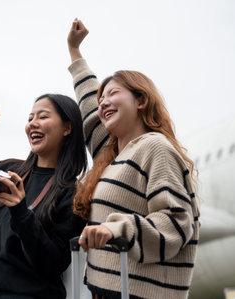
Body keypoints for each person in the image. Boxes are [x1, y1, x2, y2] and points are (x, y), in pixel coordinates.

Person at [67, 19, 200, 299]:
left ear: (141, 101)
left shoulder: (155, 148)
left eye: (113, 93)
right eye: (102, 98)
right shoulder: (113, 155)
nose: (103, 102)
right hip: (105, 292)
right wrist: (74, 51)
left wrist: (118, 228)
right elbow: (90, 105)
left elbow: (177, 223)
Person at [0, 94, 87, 299]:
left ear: (67, 127)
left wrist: (21, 211)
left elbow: (53, 263)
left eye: (43, 117)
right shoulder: (4, 172)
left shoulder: (73, 193)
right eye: (30, 119)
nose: (33, 124)